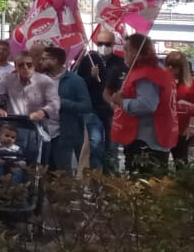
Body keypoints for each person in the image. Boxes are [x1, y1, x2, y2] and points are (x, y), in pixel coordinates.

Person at [113, 33, 175, 172]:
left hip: (145, 142)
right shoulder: (157, 70)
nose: (124, 53)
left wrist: (122, 102)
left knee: (141, 188)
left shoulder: (145, 74)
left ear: (135, 52)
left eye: (126, 49)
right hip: (156, 138)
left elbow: (147, 105)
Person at [76, 32, 126, 171]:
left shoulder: (120, 62)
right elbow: (79, 84)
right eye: (100, 44)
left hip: (113, 110)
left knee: (112, 147)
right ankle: (96, 180)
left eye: (107, 44)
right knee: (96, 145)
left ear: (113, 44)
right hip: (93, 108)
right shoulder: (88, 60)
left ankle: (111, 182)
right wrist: (91, 77)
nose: (104, 47)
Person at [0, 49, 59, 143]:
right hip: (12, 129)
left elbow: (55, 103)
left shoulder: (45, 81)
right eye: (21, 65)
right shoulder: (7, 79)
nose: (25, 67)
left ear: (34, 65)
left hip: (36, 128)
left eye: (29, 64)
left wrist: (43, 112)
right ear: (15, 66)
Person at [45, 45, 93, 175]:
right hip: (42, 133)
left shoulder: (75, 81)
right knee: (43, 173)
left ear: (55, 60)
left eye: (45, 59)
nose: (41, 62)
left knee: (63, 174)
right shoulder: (40, 78)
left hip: (64, 135)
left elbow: (86, 106)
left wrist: (63, 103)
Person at [165, 50, 194, 163]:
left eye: (175, 66)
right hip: (166, 128)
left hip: (183, 129)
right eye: (168, 65)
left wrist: (191, 126)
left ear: (182, 67)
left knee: (181, 160)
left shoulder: (190, 85)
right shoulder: (164, 83)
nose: (171, 68)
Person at [0, 121, 30, 187]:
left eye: (12, 137)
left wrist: (20, 163)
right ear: (0, 135)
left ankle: (15, 188)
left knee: (19, 172)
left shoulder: (17, 149)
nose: (9, 139)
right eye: (7, 136)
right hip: (0, 166)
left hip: (14, 166)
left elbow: (22, 159)